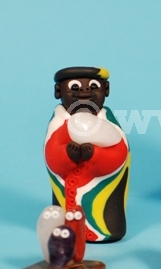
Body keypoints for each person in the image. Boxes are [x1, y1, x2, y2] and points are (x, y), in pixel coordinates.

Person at [45, 66, 129, 242]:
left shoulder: (109, 123)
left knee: (106, 216)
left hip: (105, 204)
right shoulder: (57, 124)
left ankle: (103, 231)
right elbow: (51, 157)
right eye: (74, 87)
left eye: (93, 87)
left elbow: (119, 155)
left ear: (106, 90)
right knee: (64, 224)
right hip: (65, 201)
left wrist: (95, 155)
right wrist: (67, 154)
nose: (84, 92)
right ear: (58, 91)